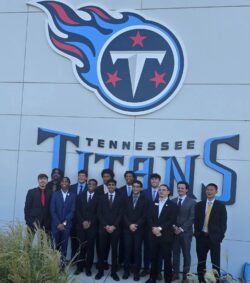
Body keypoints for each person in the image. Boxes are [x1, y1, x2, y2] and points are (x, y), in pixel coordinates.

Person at [194, 183, 227, 283]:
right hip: (201, 238)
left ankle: (216, 281)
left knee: (215, 262)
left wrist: (219, 238)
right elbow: (196, 221)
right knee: (201, 261)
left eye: (211, 190)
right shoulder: (199, 205)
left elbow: (223, 224)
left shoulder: (221, 206)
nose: (209, 191)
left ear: (216, 192)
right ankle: (201, 280)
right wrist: (197, 235)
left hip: (214, 239)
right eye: (207, 190)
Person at [146, 184, 178, 283]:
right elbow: (149, 217)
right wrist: (154, 228)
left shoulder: (173, 205)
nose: (161, 191)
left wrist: (159, 229)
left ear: (168, 192)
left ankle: (168, 280)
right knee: (153, 257)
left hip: (166, 236)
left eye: (164, 190)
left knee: (167, 259)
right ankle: (152, 278)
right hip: (153, 234)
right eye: (160, 190)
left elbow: (171, 220)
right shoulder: (153, 203)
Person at [95, 179, 123, 281]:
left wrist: (114, 226)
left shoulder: (120, 198)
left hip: (115, 229)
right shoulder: (101, 198)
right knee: (102, 251)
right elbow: (99, 213)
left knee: (115, 251)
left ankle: (114, 272)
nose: (111, 186)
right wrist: (106, 226)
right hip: (103, 229)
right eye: (109, 185)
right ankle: (100, 271)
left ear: (115, 186)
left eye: (113, 185)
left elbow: (121, 214)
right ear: (107, 186)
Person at [123, 180, 148, 281]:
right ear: (132, 188)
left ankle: (136, 272)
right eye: (134, 186)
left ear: (141, 188)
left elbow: (145, 215)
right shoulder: (126, 199)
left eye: (138, 187)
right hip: (127, 228)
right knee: (127, 250)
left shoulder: (145, 200)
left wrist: (135, 225)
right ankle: (126, 271)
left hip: (139, 229)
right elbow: (123, 214)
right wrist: (129, 224)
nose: (136, 188)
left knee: (137, 251)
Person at [172, 181, 196, 283]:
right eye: (178, 188)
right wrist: (174, 227)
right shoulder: (172, 201)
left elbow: (192, 218)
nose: (180, 189)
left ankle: (185, 276)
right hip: (174, 232)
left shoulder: (192, 202)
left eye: (182, 188)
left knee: (186, 254)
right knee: (175, 253)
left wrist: (181, 229)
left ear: (186, 190)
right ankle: (176, 273)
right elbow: (170, 217)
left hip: (186, 233)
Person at [75, 179, 99, 276]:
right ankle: (79, 267)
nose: (91, 185)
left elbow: (98, 213)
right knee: (81, 247)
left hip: (92, 227)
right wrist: (83, 222)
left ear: (96, 186)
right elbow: (77, 210)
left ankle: (88, 268)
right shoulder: (80, 195)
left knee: (90, 248)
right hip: (81, 226)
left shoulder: (99, 198)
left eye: (93, 184)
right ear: (87, 185)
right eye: (90, 184)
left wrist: (90, 222)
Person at [141, 173, 162, 279]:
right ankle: (146, 268)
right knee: (147, 248)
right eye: (152, 179)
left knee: (159, 249)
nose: (154, 181)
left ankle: (158, 271)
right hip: (146, 225)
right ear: (150, 181)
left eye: (156, 179)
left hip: (159, 227)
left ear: (159, 181)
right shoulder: (144, 193)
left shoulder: (163, 192)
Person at [50, 177, 76, 261]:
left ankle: (62, 265)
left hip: (66, 225)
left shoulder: (73, 195)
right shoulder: (55, 194)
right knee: (54, 246)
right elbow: (52, 210)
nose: (64, 182)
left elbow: (72, 210)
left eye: (66, 181)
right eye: (63, 181)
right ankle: (53, 265)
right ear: (60, 183)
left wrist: (64, 223)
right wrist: (58, 223)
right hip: (55, 225)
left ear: (69, 184)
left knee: (64, 246)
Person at [95, 168, 115, 269]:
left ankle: (106, 261)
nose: (106, 178)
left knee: (108, 244)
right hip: (100, 222)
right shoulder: (97, 189)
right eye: (104, 177)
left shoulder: (116, 190)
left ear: (111, 178)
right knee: (100, 243)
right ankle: (100, 261)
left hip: (112, 224)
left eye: (108, 177)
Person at [118, 170, 136, 266]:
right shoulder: (119, 190)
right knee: (122, 244)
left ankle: (131, 264)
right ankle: (121, 263)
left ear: (133, 178)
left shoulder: (137, 190)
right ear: (125, 178)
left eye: (130, 176)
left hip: (134, 224)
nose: (128, 177)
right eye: (127, 176)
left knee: (133, 245)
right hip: (121, 222)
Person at [69, 169, 88, 260]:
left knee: (84, 242)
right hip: (73, 219)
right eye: (80, 175)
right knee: (73, 240)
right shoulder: (71, 187)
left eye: (83, 176)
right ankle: (74, 259)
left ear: (86, 178)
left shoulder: (90, 187)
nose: (81, 177)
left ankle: (82, 260)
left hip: (84, 220)